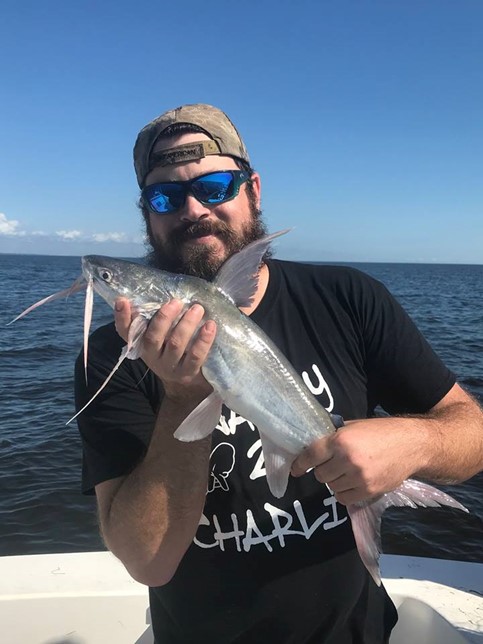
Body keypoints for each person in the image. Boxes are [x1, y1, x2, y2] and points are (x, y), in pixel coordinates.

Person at [75, 103, 483, 644]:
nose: (193, 209)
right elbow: (147, 562)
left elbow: (472, 434)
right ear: (146, 214)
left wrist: (414, 441)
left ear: (254, 190)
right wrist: (181, 395)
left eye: (216, 185)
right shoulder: (109, 355)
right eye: (165, 197)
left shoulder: (347, 298)